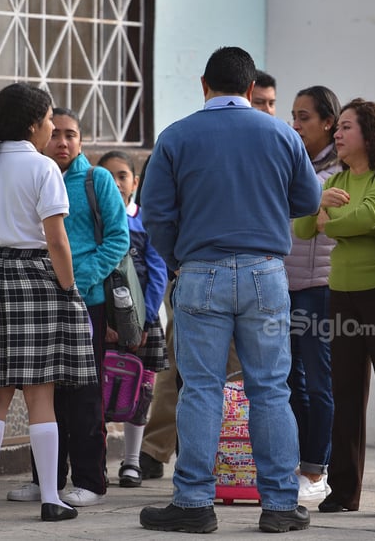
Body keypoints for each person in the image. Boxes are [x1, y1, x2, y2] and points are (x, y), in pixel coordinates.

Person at [138, 46, 321, 534]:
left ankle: (194, 502)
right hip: (266, 272)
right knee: (270, 390)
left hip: (201, 271)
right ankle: (280, 505)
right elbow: (307, 200)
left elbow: (155, 212)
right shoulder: (282, 134)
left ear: (203, 85)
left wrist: (180, 261)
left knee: (200, 389)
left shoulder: (176, 137)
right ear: (248, 89)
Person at [0, 83, 98, 522]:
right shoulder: (42, 169)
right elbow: (56, 240)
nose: (54, 128)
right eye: (50, 120)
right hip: (39, 279)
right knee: (40, 396)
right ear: (33, 125)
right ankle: (52, 499)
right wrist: (68, 288)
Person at [293, 98, 375, 519]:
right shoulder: (341, 177)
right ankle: (344, 492)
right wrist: (320, 207)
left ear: (371, 132)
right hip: (342, 295)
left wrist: (331, 216)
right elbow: (302, 226)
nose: (338, 134)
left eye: (346, 126)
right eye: (338, 128)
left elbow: (364, 219)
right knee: (345, 395)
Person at [5, 108, 129, 507]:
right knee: (43, 393)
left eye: (70, 134)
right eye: (55, 133)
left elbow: (117, 239)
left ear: (81, 140)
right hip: (39, 303)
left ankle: (91, 480)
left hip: (85, 303)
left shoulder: (97, 180)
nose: (62, 141)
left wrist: (77, 279)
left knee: (85, 394)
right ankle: (47, 481)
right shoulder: (34, 175)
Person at [97, 150, 169, 487]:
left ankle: (131, 462)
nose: (115, 183)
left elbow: (157, 274)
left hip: (143, 323)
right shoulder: (95, 224)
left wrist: (142, 321)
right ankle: (95, 460)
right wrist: (107, 323)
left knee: (141, 391)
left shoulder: (145, 222)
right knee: (96, 391)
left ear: (135, 182)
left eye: (122, 176)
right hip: (102, 318)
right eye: (107, 176)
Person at [285, 85, 342, 502]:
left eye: (304, 117)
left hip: (319, 288)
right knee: (288, 381)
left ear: (328, 121)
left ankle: (317, 468)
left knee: (320, 382)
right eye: (294, 115)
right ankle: (301, 461)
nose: (296, 124)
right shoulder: (292, 161)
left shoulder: (342, 170)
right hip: (282, 287)